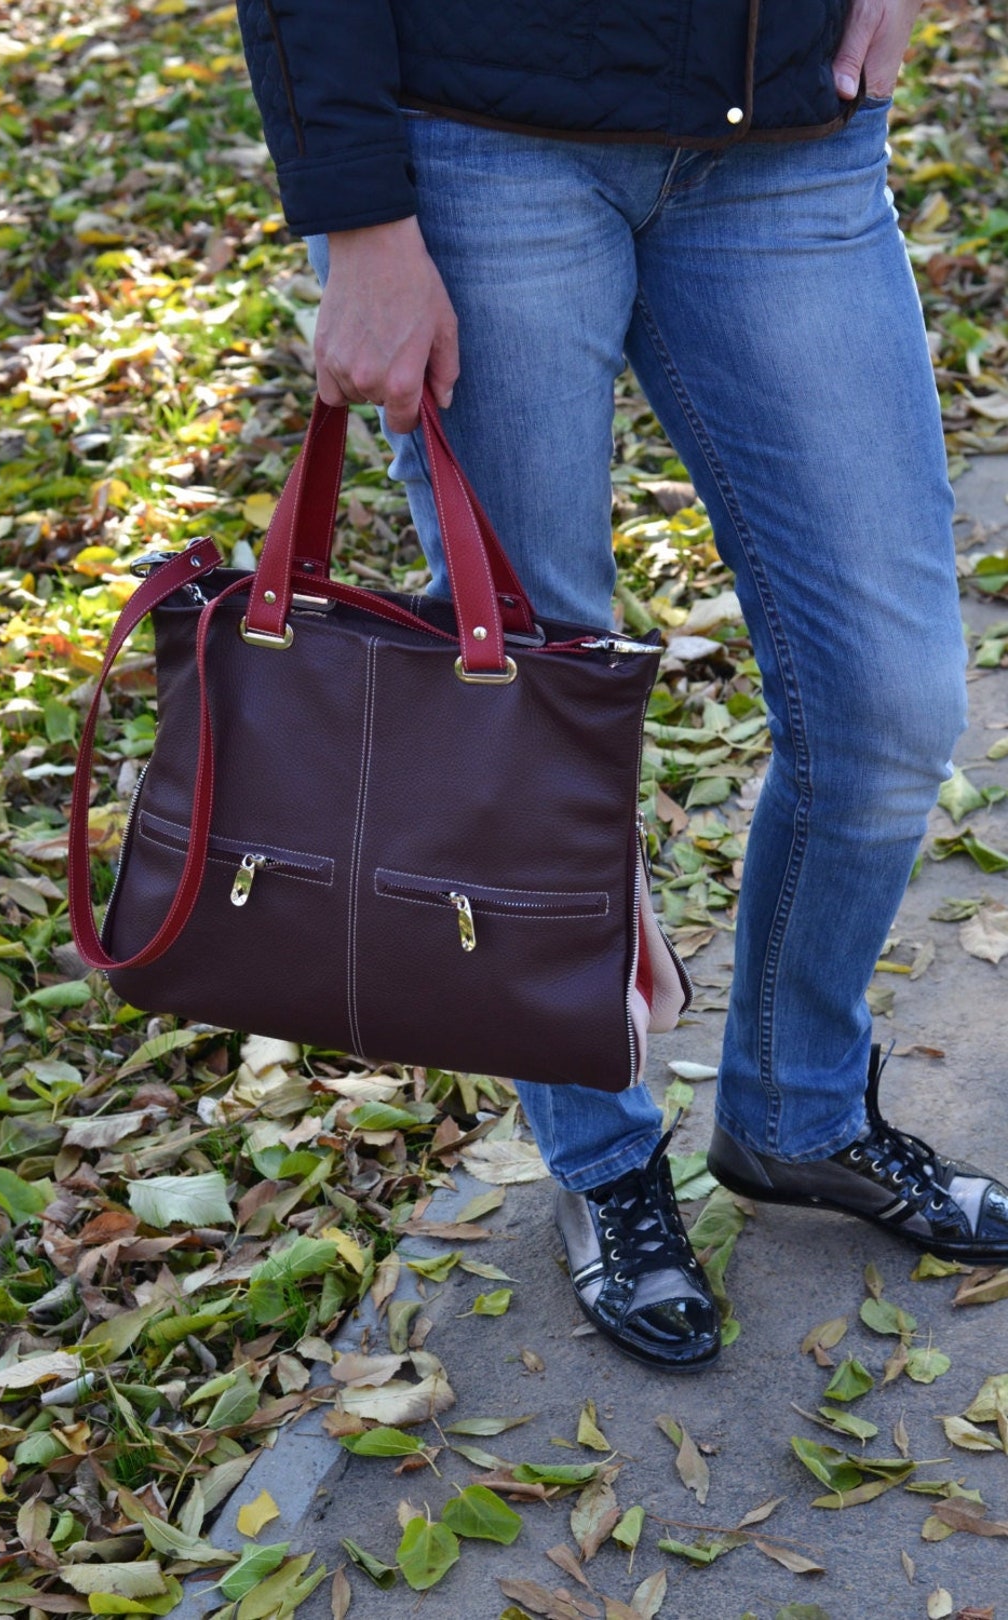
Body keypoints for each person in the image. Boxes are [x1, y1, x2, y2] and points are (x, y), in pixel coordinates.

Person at [236, 0, 1008, 1370]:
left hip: (787, 135)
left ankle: (798, 1114)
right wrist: (359, 218)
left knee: (891, 706)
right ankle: (601, 1157)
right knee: (532, 705)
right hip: (481, 145)